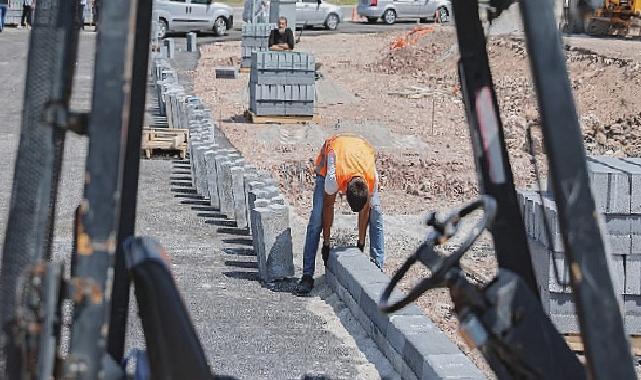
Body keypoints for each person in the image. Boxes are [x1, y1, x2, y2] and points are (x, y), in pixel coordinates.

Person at [296, 134, 385, 296]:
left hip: (361, 147)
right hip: (334, 152)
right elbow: (328, 206)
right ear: (343, 192)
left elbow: (366, 210)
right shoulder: (333, 178)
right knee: (317, 217)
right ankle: (307, 275)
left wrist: (361, 242)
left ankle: (377, 267)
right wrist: (327, 243)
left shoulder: (371, 180)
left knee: (377, 212)